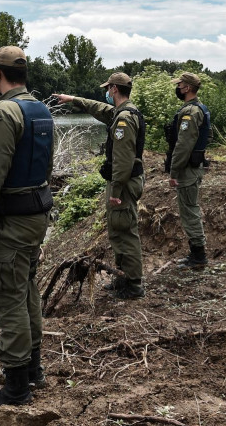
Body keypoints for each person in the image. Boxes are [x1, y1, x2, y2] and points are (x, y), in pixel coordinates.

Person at [0, 46, 54, 407]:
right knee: (27, 288)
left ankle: (17, 387)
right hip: (36, 214)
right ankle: (33, 370)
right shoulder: (41, 110)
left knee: (7, 298)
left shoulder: (3, 112)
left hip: (12, 221)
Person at [53, 72, 146, 299]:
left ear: (114, 89)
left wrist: (115, 191)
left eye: (108, 88)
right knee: (117, 230)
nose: (106, 92)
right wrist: (72, 99)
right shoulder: (123, 111)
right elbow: (98, 108)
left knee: (125, 231)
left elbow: (123, 161)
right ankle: (123, 277)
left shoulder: (124, 119)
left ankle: (133, 285)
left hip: (122, 185)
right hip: (124, 182)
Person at [165, 72, 212, 270]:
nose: (178, 88)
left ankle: (199, 256)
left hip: (187, 170)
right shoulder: (196, 109)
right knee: (188, 210)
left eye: (181, 85)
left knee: (189, 211)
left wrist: (174, 171)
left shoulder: (190, 112)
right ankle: (195, 253)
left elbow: (183, 145)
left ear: (188, 88)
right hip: (192, 167)